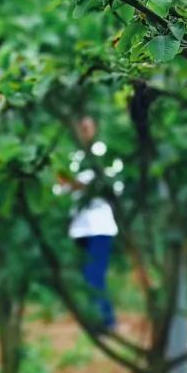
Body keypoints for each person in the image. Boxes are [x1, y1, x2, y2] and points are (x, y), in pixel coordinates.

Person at [59, 115, 122, 332]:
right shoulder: (75, 158)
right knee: (86, 276)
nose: (84, 131)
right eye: (81, 127)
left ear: (94, 128)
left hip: (100, 226)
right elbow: (61, 188)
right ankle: (95, 319)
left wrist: (76, 184)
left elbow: (112, 187)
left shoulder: (103, 154)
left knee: (95, 275)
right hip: (80, 228)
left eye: (87, 127)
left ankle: (106, 321)